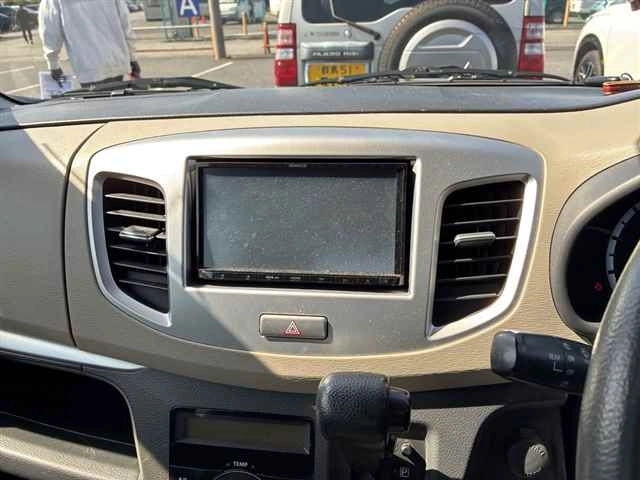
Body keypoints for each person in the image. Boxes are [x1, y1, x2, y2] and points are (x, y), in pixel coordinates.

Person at [38, 0, 141, 88]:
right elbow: (125, 23)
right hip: (115, 59)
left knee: (95, 102)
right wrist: (132, 57)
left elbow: (50, 31)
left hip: (87, 64)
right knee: (116, 100)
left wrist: (53, 64)